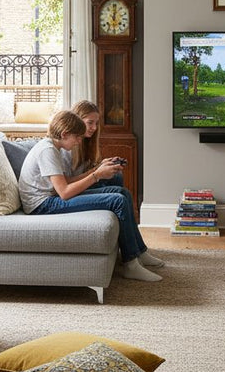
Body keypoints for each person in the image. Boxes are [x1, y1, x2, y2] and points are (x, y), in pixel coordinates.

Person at [18, 110, 164, 282]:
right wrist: (96, 176)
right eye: (77, 137)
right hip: (42, 205)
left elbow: (67, 181)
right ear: (65, 134)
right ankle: (131, 264)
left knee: (122, 193)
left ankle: (139, 251)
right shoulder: (47, 151)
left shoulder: (53, 147)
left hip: (51, 197)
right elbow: (64, 193)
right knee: (117, 200)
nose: (80, 141)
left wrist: (97, 170)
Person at [68, 100, 124, 190]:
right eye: (90, 123)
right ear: (77, 121)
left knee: (116, 175)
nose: (94, 128)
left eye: (96, 123)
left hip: (82, 184)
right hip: (72, 189)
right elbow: (65, 185)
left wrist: (103, 165)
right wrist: (97, 171)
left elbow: (87, 172)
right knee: (118, 195)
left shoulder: (86, 142)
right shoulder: (67, 146)